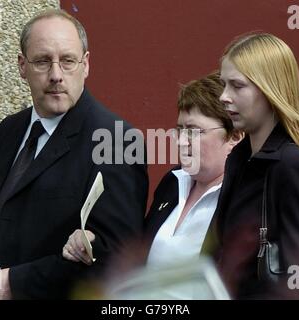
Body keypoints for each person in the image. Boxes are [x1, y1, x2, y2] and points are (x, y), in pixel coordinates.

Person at [0, 9, 148, 300]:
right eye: (42, 61)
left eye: (67, 61)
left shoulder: (118, 140)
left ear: (86, 64)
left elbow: (114, 256)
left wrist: (15, 283)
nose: (56, 75)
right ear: (21, 66)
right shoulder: (9, 130)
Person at [63, 72, 241, 298]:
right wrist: (92, 244)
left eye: (194, 132)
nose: (181, 140)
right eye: (180, 130)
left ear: (234, 136)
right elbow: (138, 257)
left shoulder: (243, 197)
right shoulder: (174, 182)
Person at [215, 32, 299, 299]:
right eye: (223, 84)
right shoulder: (240, 159)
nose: (223, 96)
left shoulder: (291, 165)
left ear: (270, 90)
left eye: (237, 85)